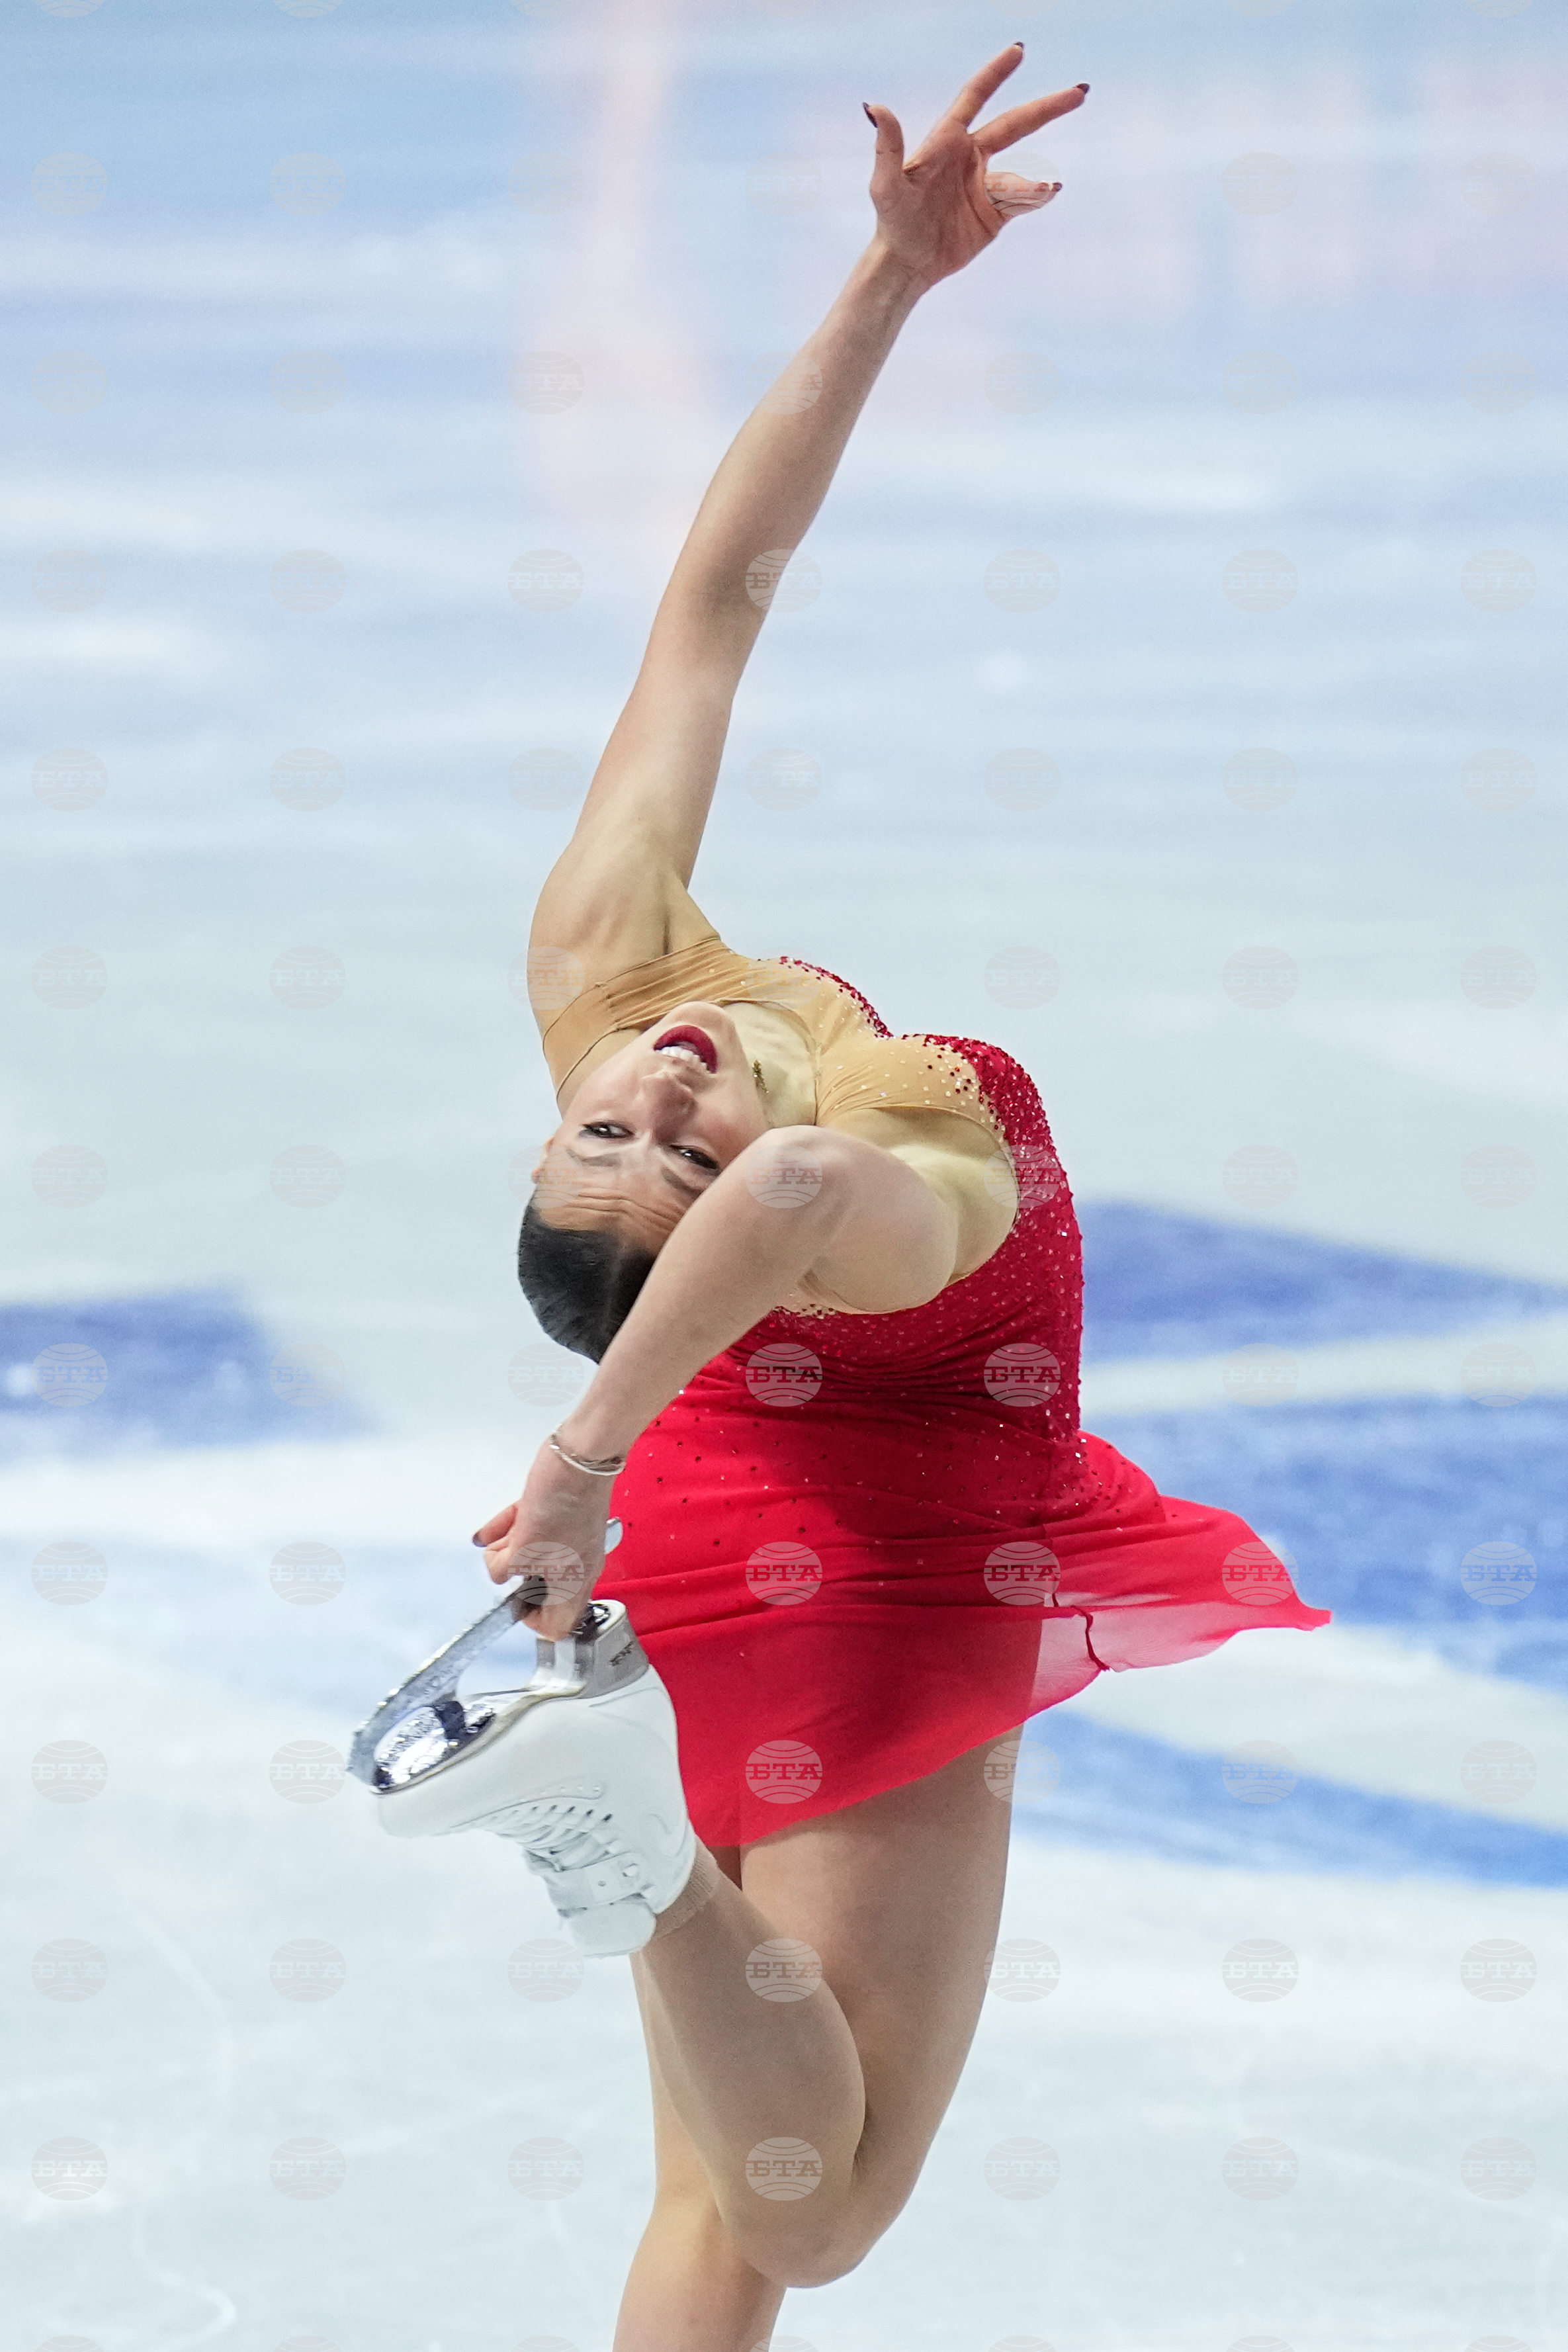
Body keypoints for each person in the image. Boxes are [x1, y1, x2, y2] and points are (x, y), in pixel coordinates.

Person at [409, 46, 1329, 2352]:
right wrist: (584, 1455)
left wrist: (885, 288)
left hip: (681, 1536)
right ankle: (623, 1851)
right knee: (818, 2205)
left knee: (722, 2205)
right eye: (663, 1148)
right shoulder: (899, 1182)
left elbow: (716, 587)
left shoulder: (606, 968)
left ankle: (622, 1831)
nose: (665, 1094)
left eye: (604, 1121)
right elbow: (795, 1174)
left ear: (550, 1103)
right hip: (871, 1560)